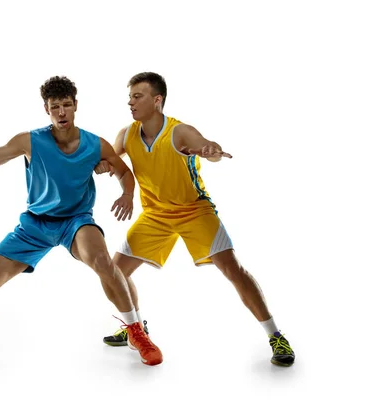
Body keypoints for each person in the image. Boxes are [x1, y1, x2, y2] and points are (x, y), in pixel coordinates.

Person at [0, 76, 162, 366]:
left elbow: (125, 172)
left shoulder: (94, 144)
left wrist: (127, 194)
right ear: (46, 110)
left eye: (67, 105)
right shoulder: (30, 141)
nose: (61, 112)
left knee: (102, 261)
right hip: (35, 224)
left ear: (76, 106)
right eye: (55, 106)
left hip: (75, 221)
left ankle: (135, 330)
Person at [94, 72, 295, 367]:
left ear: (157, 100)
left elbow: (205, 146)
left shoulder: (179, 132)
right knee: (113, 273)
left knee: (233, 270)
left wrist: (210, 151)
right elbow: (111, 159)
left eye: (137, 96)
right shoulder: (126, 134)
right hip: (155, 214)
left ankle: (275, 335)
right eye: (130, 97)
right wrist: (102, 166)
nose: (130, 102)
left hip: (194, 211)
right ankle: (135, 329)